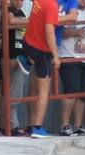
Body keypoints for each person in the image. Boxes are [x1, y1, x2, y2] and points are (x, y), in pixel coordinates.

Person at [58, 0, 85, 135]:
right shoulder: (67, 10)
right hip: (69, 56)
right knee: (71, 92)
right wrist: (75, 33)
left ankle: (78, 125)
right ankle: (65, 125)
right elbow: (59, 32)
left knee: (84, 94)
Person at [21, 0, 61, 137]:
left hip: (27, 43)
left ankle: (26, 59)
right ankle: (37, 128)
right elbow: (50, 32)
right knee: (44, 91)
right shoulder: (52, 5)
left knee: (34, 87)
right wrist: (56, 56)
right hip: (41, 51)